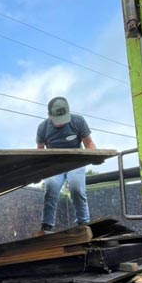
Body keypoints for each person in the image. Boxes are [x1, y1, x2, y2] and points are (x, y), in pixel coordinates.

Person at [37, 96, 97, 232]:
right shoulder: (42, 128)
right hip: (54, 165)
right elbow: (39, 152)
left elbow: (88, 143)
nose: (61, 123)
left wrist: (95, 156)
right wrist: (38, 172)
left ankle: (83, 223)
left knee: (76, 188)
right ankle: (46, 225)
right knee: (51, 189)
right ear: (49, 115)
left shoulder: (78, 121)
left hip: (76, 162)